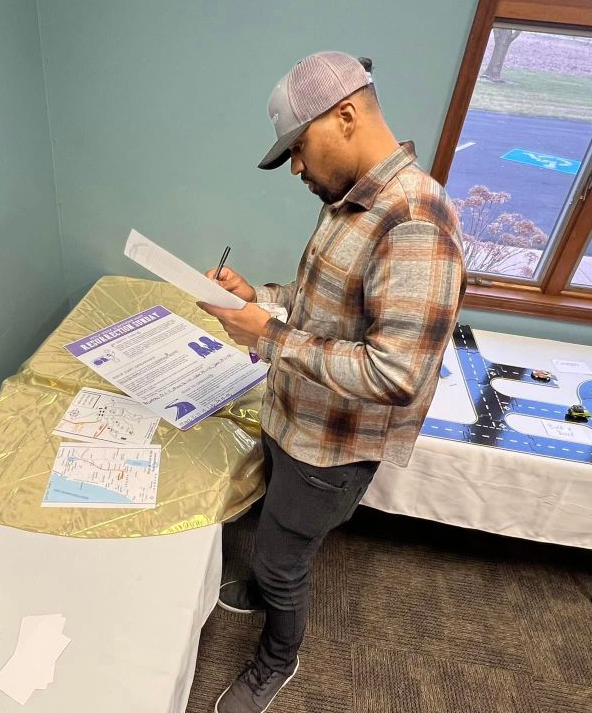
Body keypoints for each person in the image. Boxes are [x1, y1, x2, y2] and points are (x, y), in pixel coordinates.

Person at [198, 51, 466, 713]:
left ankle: (277, 660)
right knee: (274, 533)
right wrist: (255, 299)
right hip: (291, 417)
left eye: (298, 147)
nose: (295, 167)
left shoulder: (416, 219)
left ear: (345, 116)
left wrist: (268, 335)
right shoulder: (348, 202)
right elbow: (319, 304)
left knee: (282, 560)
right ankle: (266, 583)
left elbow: (397, 374)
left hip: (330, 450)